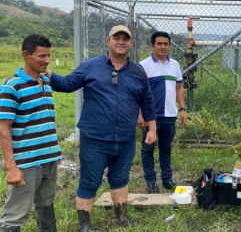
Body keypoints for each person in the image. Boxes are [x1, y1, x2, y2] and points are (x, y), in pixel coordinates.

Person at [45, 25, 157, 231]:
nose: (121, 41)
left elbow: (147, 102)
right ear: (108, 41)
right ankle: (85, 225)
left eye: (126, 38)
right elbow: (68, 84)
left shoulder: (138, 71)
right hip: (95, 138)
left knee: (121, 177)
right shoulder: (91, 66)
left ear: (131, 43)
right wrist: (47, 72)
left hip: (125, 138)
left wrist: (152, 129)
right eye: (117, 38)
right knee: (90, 180)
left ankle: (121, 216)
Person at [0, 34, 63, 232]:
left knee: (46, 204)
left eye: (49, 56)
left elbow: (46, 120)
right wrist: (11, 167)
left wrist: (54, 152)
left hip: (49, 158)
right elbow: (3, 129)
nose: (47, 61)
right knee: (15, 214)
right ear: (26, 55)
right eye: (41, 56)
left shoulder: (46, 82)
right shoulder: (12, 86)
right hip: (27, 162)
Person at [137, 31, 186, 193]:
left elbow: (179, 87)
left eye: (166, 44)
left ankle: (167, 179)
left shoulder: (175, 65)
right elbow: (137, 92)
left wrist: (183, 109)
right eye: (159, 44)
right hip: (151, 118)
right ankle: (151, 181)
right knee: (148, 150)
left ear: (169, 46)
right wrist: (140, 114)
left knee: (166, 149)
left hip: (170, 116)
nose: (163, 47)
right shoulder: (144, 66)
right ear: (152, 46)